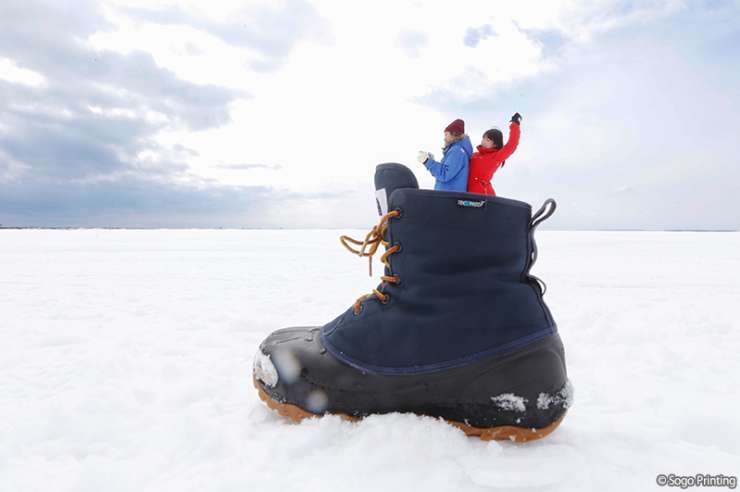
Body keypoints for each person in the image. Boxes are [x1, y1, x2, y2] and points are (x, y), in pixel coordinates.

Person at [467, 113, 522, 196]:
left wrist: (515, 125)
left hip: (484, 197)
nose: (483, 141)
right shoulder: (474, 155)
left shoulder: (496, 157)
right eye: (483, 138)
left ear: (495, 144)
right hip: (467, 195)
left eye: (488, 140)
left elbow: (512, 145)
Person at [417, 118, 473, 192]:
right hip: (449, 196)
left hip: (449, 197)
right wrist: (431, 161)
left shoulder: (457, 151)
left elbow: (445, 175)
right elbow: (447, 172)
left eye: (446, 134)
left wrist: (427, 162)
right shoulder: (458, 150)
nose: (444, 138)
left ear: (454, 134)